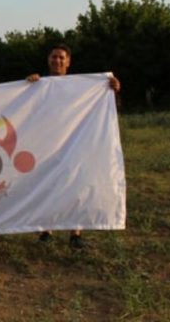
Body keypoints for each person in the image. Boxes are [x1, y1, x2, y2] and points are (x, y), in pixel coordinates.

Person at [27, 43, 121, 250]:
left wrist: (112, 88)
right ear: (48, 60)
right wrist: (28, 84)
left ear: (68, 62)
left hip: (76, 143)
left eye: (62, 57)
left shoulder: (82, 87)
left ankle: (75, 234)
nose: (57, 60)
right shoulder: (38, 84)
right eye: (54, 57)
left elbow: (105, 104)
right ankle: (46, 231)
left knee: (76, 185)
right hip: (47, 144)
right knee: (48, 185)